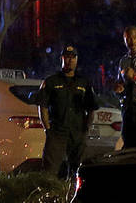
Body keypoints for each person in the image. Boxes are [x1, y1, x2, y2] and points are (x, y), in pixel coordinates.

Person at [37, 44, 98, 180]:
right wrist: (48, 129)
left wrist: (86, 130)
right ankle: (49, 198)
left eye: (73, 57)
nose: (70, 60)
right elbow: (43, 106)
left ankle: (73, 197)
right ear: (62, 59)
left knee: (78, 173)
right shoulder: (51, 81)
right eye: (67, 57)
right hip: (57, 132)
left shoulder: (84, 83)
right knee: (49, 172)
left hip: (77, 133)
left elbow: (92, 108)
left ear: (77, 60)